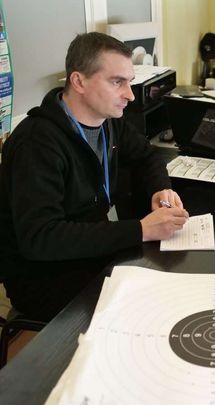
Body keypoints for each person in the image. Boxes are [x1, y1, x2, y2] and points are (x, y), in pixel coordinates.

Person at [0, 32, 189, 321]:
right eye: (117, 82)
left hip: (91, 251)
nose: (129, 95)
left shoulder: (108, 122)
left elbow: (147, 156)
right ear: (78, 81)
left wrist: (160, 189)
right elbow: (41, 238)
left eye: (129, 82)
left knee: (172, 282)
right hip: (43, 277)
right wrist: (141, 230)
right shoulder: (36, 143)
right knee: (151, 307)